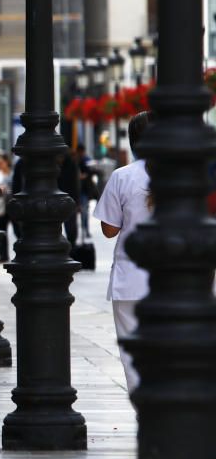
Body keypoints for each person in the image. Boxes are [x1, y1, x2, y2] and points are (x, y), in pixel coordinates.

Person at [93, 110, 154, 393]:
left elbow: (109, 229)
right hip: (174, 277)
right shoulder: (184, 173)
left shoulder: (122, 176)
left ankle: (144, 402)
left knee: (132, 349)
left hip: (131, 277)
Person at [76, 144, 97, 240]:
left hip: (84, 190)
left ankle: (85, 230)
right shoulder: (77, 160)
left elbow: (91, 172)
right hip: (79, 190)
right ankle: (84, 230)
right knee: (83, 211)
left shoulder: (86, 160)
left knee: (84, 211)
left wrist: (84, 175)